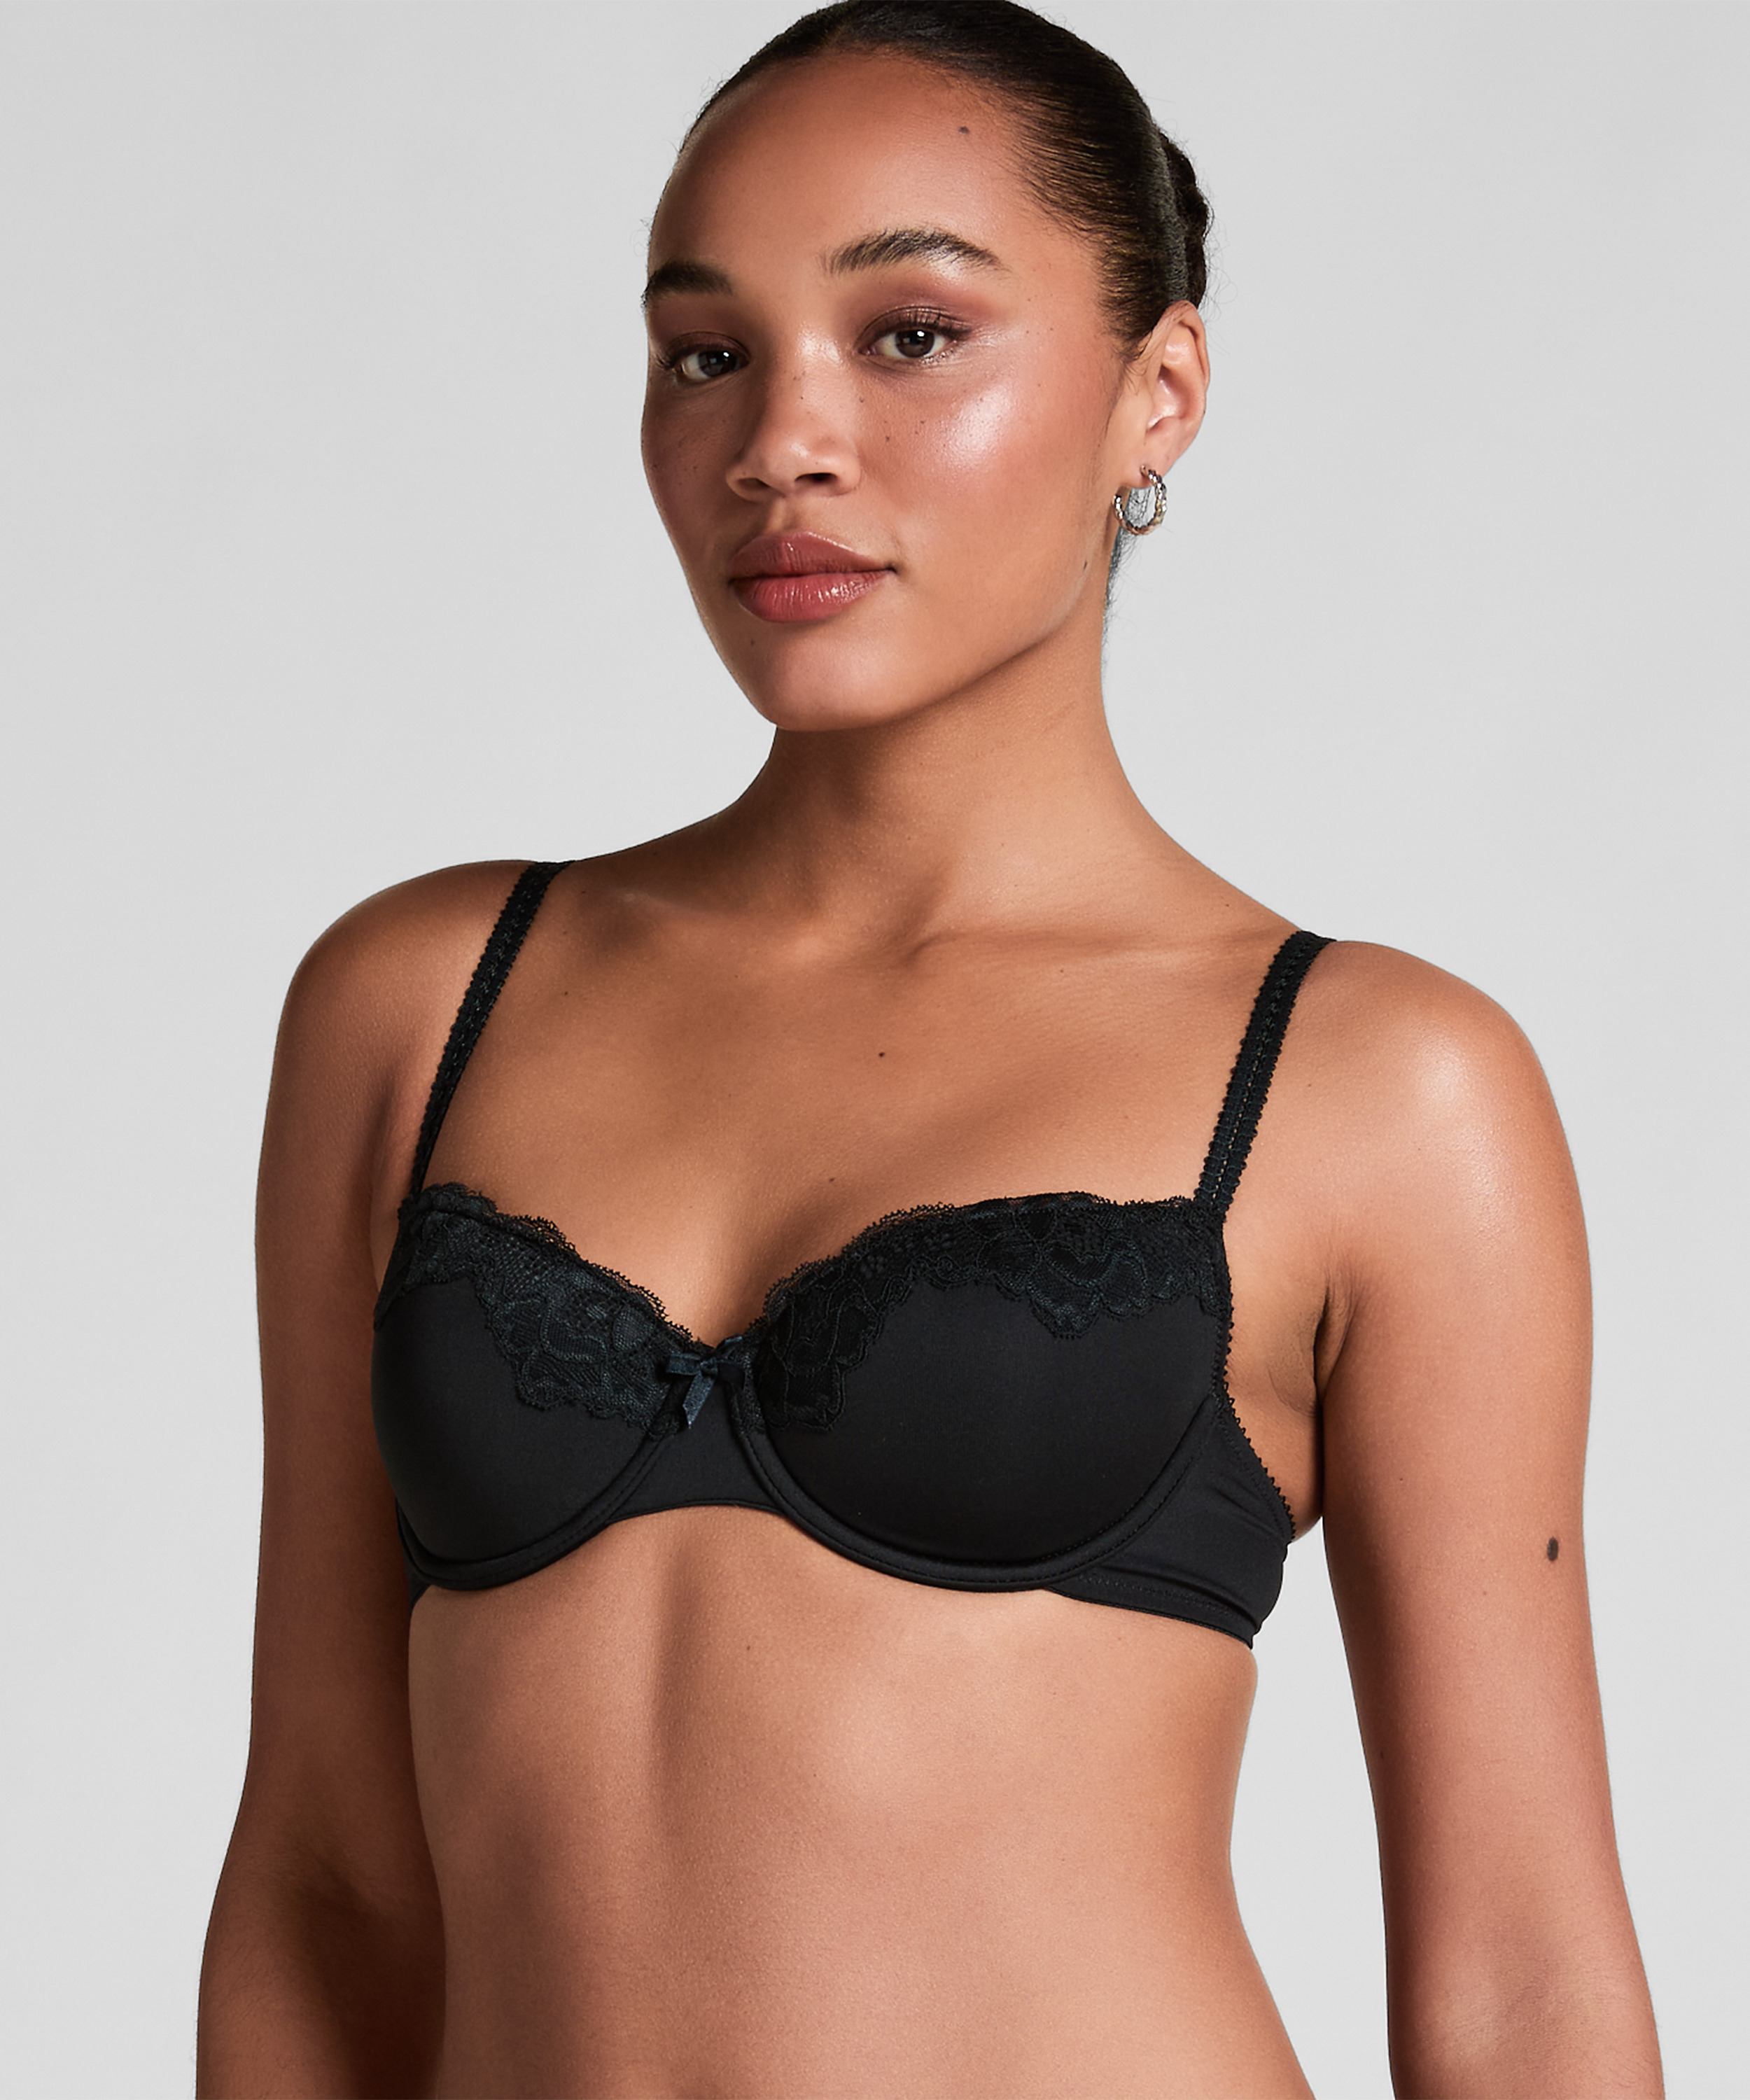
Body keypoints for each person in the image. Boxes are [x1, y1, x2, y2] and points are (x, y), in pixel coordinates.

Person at [196, 4, 1662, 2094]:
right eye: (705, 352)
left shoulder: (1371, 1085)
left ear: (1157, 394)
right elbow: (327, 1879)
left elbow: (1520, 1982)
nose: (780, 440)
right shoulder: (423, 1003)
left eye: (909, 335)